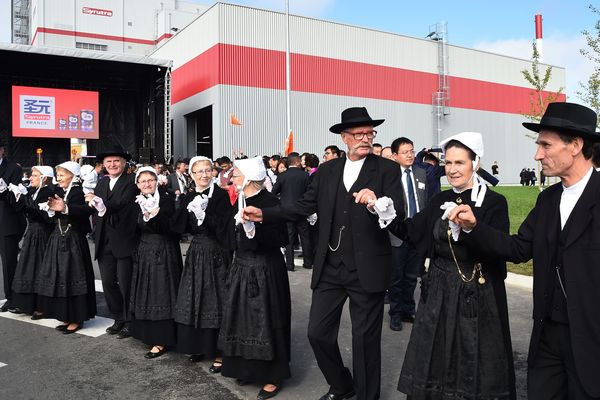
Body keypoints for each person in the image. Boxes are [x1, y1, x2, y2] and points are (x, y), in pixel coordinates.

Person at [243, 107, 405, 400]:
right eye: (359, 134)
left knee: (365, 340)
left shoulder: (387, 170)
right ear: (344, 138)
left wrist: (378, 203)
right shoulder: (327, 171)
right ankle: (342, 385)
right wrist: (264, 214)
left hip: (367, 267)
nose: (365, 138)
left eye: (370, 133)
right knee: (317, 333)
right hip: (330, 266)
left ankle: (368, 396)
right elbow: (303, 206)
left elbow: (397, 213)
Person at [449, 102, 600, 400]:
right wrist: (473, 227)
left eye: (545, 145)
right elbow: (519, 248)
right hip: (547, 336)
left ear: (576, 145)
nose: (537, 154)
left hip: (591, 338)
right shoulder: (547, 200)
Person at [396, 132, 515, 399]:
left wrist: (472, 229)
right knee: (436, 353)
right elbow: (413, 231)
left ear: (476, 164)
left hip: (477, 293)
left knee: (473, 354)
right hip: (438, 290)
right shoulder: (439, 200)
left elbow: (500, 249)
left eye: (460, 163)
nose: (452, 169)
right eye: (448, 163)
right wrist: (385, 213)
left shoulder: (495, 202)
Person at [218, 157, 291, 400]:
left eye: (236, 175)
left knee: (267, 320)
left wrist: (254, 230)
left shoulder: (269, 202)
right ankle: (246, 368)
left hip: (265, 269)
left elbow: (281, 238)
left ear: (249, 178)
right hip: (242, 267)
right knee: (241, 319)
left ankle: (273, 376)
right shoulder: (239, 200)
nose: (231, 178)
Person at [172, 156, 232, 368]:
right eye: (199, 171)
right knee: (196, 297)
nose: (204, 174)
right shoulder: (189, 196)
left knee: (216, 298)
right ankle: (200, 346)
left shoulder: (221, 197)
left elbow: (225, 229)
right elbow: (180, 226)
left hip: (216, 251)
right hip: (197, 251)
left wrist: (204, 215)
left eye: (208, 170)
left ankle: (220, 351)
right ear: (192, 174)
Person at [84, 145, 138, 339]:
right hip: (104, 240)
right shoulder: (101, 183)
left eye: (116, 161)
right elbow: (91, 209)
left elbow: (123, 204)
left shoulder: (131, 182)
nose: (113, 164)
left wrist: (103, 205)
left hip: (123, 240)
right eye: (109, 162)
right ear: (104, 165)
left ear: (124, 163)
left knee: (125, 283)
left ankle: (130, 321)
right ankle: (119, 317)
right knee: (108, 282)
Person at [37, 161, 97, 334]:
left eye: (62, 175)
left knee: (74, 277)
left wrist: (65, 208)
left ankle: (77, 318)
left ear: (72, 175)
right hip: (58, 238)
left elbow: (86, 211)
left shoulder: (79, 192)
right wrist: (49, 210)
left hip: (74, 240)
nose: (59, 178)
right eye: (58, 175)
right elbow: (53, 216)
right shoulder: (59, 191)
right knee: (60, 277)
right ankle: (65, 314)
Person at [129, 166, 182, 359]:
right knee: (147, 292)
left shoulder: (167, 198)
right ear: (138, 184)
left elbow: (173, 228)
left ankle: (164, 338)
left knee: (164, 292)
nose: (147, 184)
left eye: (150, 180)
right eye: (142, 181)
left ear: (157, 181)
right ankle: (148, 334)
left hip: (165, 250)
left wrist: (155, 213)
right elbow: (131, 228)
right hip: (144, 251)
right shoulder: (135, 201)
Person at [388, 137, 427, 331]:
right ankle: (395, 313)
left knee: (412, 276)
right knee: (396, 277)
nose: (410, 155)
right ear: (395, 156)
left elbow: (425, 201)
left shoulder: (421, 173)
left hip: (417, 232)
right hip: (397, 233)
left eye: (412, 151)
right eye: (405, 152)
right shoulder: (390, 176)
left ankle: (407, 310)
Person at [7, 166, 55, 318]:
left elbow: (42, 215)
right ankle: (25, 304)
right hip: (32, 233)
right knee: (27, 268)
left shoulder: (48, 192)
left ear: (44, 178)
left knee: (40, 269)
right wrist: (12, 194)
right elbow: (21, 209)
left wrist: (23, 198)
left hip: (43, 234)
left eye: (35, 175)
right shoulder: (34, 191)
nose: (31, 178)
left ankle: (42, 306)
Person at [271, 153, 313, 271]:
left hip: (286, 210)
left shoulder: (282, 176)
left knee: (288, 238)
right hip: (301, 209)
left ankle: (289, 265)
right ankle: (308, 262)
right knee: (305, 237)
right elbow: (309, 193)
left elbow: (274, 192)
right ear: (296, 162)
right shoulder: (305, 175)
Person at [0, 139, 27, 312]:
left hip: (7, 222)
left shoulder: (13, 168)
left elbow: (18, 201)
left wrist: (6, 190)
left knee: (9, 262)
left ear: (2, 150)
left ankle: (13, 297)